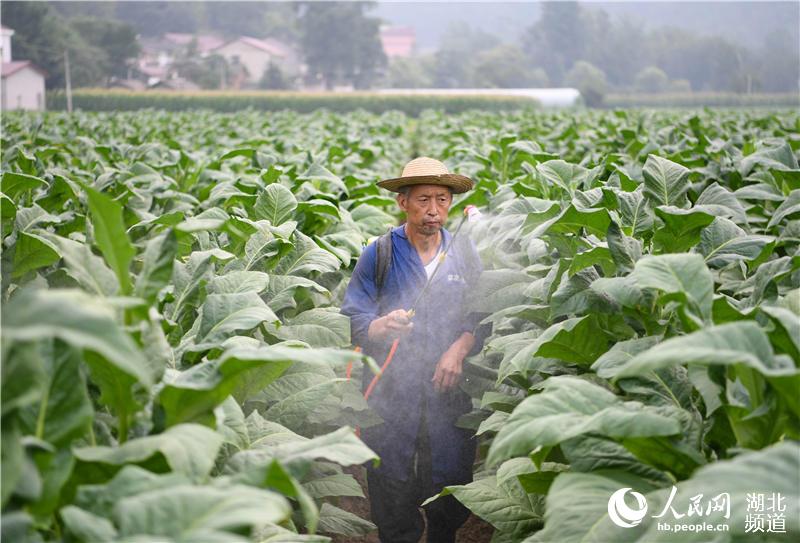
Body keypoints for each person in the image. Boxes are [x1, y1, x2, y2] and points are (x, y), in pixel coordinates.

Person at [340, 157, 488, 543]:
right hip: (390, 392)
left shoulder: (463, 253)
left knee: (450, 480)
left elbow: (480, 313)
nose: (434, 210)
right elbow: (355, 315)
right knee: (391, 482)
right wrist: (381, 325)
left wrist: (458, 348)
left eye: (442, 199)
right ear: (403, 202)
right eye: (423, 199)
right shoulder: (380, 253)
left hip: (449, 390)